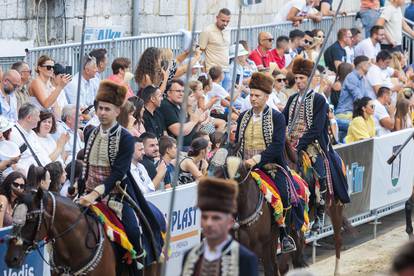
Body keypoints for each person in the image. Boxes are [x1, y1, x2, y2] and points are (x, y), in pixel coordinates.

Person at [78, 80, 164, 270]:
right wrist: (79, 188)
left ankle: (137, 265)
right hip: (87, 194)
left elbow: (118, 173)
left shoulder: (125, 138)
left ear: (117, 111)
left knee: (133, 232)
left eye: (107, 109)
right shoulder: (90, 132)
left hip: (117, 195)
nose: (102, 113)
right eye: (100, 108)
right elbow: (86, 165)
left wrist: (95, 195)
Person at [283, 58, 350, 233]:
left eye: (302, 78)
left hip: (312, 144)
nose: (298, 82)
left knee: (320, 174)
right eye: (296, 78)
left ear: (311, 79)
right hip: (290, 143)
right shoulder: (291, 100)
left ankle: (320, 214)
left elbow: (317, 127)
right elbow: (283, 119)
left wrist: (299, 144)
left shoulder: (319, 100)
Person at [235, 72, 299, 253]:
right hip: (244, 167)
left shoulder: (277, 117)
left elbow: (278, 146)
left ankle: (284, 233)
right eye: (251, 95)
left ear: (267, 97)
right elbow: (237, 143)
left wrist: (256, 160)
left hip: (270, 167)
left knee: (284, 194)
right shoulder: (243, 117)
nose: (253, 99)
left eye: (257, 96)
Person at [181, 177, 259, 276]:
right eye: (205, 217)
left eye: (216, 218)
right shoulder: (190, 255)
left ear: (230, 222)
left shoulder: (245, 259)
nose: (209, 223)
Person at [160, 79, 207, 149]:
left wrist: (198, 122)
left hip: (187, 145)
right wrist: (194, 121)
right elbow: (178, 131)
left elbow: (192, 131)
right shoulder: (166, 105)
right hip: (178, 148)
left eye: (183, 91)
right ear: (169, 93)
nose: (181, 94)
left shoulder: (177, 105)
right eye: (178, 91)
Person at [335, 56, 371, 139]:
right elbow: (359, 99)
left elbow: (366, 98)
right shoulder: (351, 77)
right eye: (368, 64)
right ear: (363, 65)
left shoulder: (362, 79)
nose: (370, 66)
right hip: (344, 114)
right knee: (361, 127)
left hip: (352, 115)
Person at [9, 103, 51, 172]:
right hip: (29, 176)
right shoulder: (12, 134)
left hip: (43, 172)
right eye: (37, 116)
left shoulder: (32, 133)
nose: (39, 119)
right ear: (29, 118)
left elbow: (42, 153)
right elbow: (13, 164)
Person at [199, 8, 231, 75]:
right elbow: (199, 52)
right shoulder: (207, 31)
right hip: (213, 72)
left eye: (228, 21)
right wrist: (203, 71)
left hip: (226, 70)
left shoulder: (228, 29)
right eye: (223, 20)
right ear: (217, 18)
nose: (225, 23)